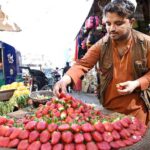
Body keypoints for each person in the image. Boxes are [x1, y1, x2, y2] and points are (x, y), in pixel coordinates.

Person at [53, 0, 150, 126]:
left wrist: (137, 83)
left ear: (131, 22)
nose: (111, 29)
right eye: (108, 24)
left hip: (137, 111)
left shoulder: (146, 44)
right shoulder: (102, 44)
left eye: (118, 23)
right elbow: (82, 64)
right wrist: (65, 80)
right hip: (109, 111)